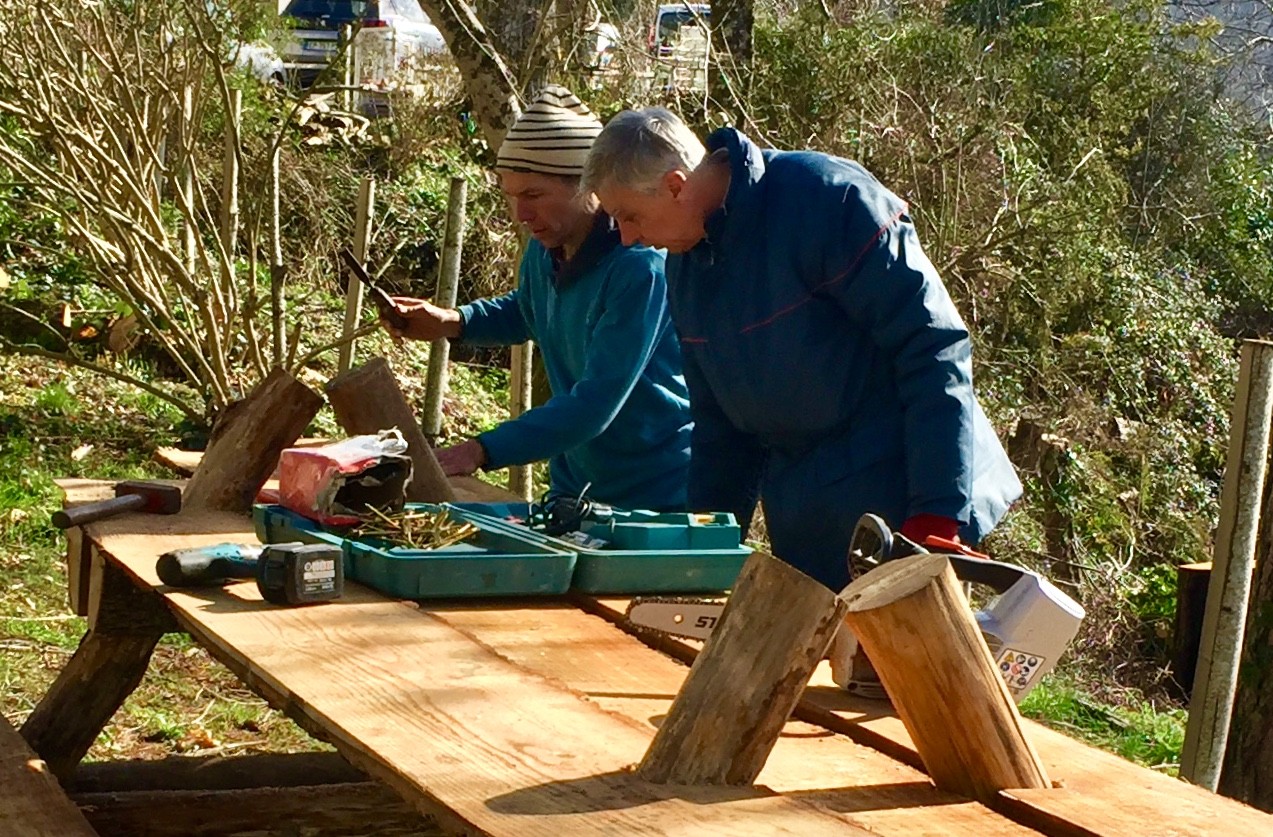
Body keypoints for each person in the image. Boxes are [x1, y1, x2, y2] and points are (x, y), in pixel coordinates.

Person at [581, 108, 1022, 590]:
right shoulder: (685, 271)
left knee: (910, 660)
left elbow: (934, 348)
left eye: (629, 217)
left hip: (913, 499)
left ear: (674, 185)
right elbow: (721, 430)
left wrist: (937, 517)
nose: (626, 237)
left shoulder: (829, 200)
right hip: (813, 520)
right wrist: (707, 549)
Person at [381, 87, 693, 512]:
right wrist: (453, 322)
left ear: (589, 189)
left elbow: (593, 404)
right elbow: (531, 310)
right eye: (510, 195)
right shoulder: (545, 250)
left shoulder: (639, 269)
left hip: (655, 500)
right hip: (576, 490)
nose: (520, 214)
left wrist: (481, 450)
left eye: (533, 195)